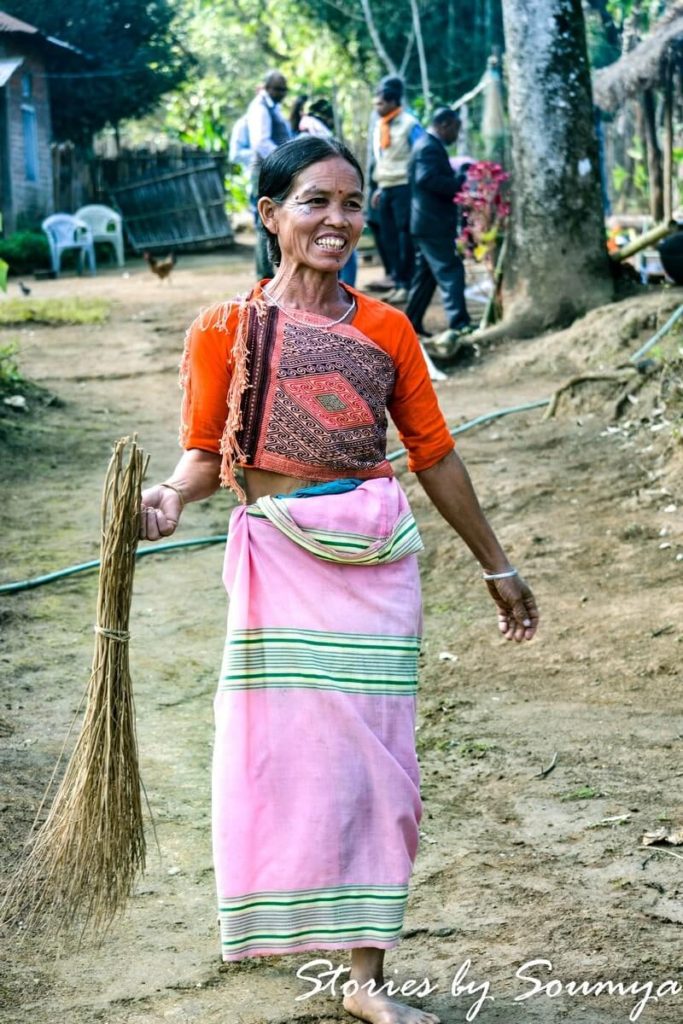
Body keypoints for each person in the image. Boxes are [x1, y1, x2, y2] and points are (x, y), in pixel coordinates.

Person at [140, 135, 539, 1024]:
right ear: (270, 215)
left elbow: (432, 455)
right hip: (276, 560)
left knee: (375, 767)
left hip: (372, 562)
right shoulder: (223, 329)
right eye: (315, 201)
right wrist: (167, 496)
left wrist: (496, 565)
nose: (338, 220)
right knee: (283, 758)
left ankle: (366, 980)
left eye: (352, 203)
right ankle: (291, 919)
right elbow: (206, 452)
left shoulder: (386, 328)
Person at [405, 107, 472, 343]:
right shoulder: (428, 147)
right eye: (456, 128)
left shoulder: (427, 145)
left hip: (425, 222)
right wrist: (458, 182)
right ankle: (461, 324)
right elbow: (427, 178)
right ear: (444, 124)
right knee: (451, 271)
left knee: (425, 277)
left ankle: (410, 324)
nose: (456, 134)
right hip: (432, 223)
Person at [371, 76, 423, 304]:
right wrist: (379, 187)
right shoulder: (380, 126)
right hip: (386, 187)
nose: (378, 108)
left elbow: (420, 154)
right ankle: (397, 281)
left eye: (381, 103)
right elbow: (382, 160)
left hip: (404, 187)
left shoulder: (410, 124)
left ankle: (407, 283)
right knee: (388, 236)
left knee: (405, 237)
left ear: (393, 102)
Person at [245, 71, 292, 278]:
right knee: (264, 223)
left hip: (273, 169)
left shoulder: (273, 107)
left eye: (284, 90)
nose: (282, 93)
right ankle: (264, 276)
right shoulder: (260, 108)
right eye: (278, 89)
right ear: (266, 87)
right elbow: (261, 142)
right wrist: (285, 161)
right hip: (266, 170)